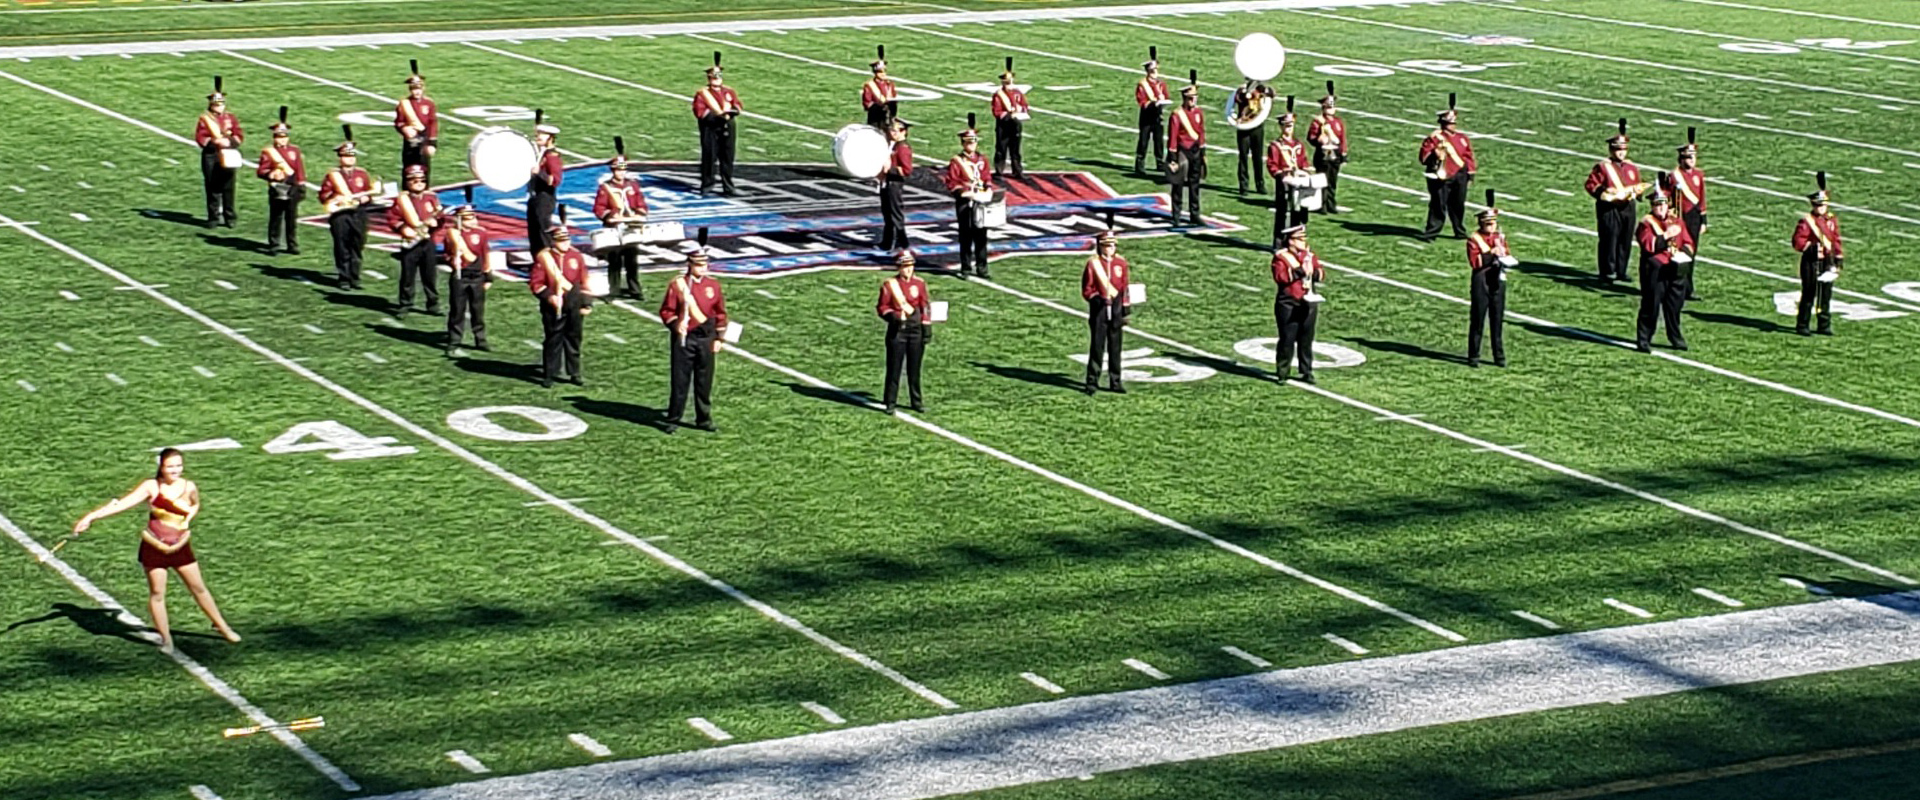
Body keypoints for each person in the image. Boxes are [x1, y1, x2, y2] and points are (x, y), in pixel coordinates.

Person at [70, 448, 240, 653]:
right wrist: (91, 517)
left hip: (180, 545)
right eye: (170, 466)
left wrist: (187, 520)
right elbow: (123, 504)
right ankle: (166, 639)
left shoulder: (189, 486)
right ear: (161, 466)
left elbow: (195, 504)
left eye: (179, 465)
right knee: (158, 592)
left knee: (198, 587)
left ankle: (222, 626)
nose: (175, 470)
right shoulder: (151, 486)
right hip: (154, 546)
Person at [659, 248, 728, 432]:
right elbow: (667, 311)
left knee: (704, 381)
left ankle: (703, 419)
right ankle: (674, 418)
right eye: (698, 264)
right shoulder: (678, 285)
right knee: (680, 380)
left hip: (706, 338)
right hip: (685, 338)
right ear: (689, 264)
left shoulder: (714, 285)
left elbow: (720, 313)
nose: (702, 268)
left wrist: (720, 338)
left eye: (704, 264)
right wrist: (676, 325)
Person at [530, 216, 590, 387]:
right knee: (553, 339)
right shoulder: (545, 258)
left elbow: (584, 280)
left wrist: (586, 303)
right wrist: (550, 297)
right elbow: (536, 283)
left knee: (574, 338)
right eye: (561, 240)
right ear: (554, 241)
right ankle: (550, 373)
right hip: (553, 305)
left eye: (567, 239)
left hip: (573, 301)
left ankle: (575, 372)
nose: (565, 243)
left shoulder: (576, 256)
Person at [1634, 188, 1694, 352]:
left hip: (1675, 268)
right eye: (1657, 205)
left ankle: (1675, 337)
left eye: (1663, 205)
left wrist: (1685, 254)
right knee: (1651, 306)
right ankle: (1644, 339)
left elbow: (1688, 242)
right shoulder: (1646, 223)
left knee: (1675, 305)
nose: (1660, 208)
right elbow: (1648, 245)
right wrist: (1666, 235)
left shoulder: (1677, 221)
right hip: (1655, 270)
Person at [1585, 132, 1647, 284]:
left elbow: (1637, 183)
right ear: (1611, 150)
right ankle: (1607, 271)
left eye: (1624, 149)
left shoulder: (1631, 167)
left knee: (1625, 239)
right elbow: (1591, 184)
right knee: (1610, 238)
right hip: (1610, 207)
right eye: (1618, 149)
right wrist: (1604, 192)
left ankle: (1621, 270)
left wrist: (1639, 193)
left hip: (1628, 206)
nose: (1621, 152)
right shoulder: (1603, 167)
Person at [877, 249, 932, 413]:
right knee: (894, 368)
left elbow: (924, 306)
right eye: (905, 266)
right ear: (899, 268)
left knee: (914, 369)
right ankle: (890, 402)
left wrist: (926, 327)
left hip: (915, 330)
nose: (908, 269)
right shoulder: (890, 285)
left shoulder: (920, 284)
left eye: (910, 266)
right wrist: (893, 317)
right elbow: (882, 307)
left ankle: (916, 401)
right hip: (898, 331)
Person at [386, 164, 443, 315]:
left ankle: (433, 303)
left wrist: (436, 223)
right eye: (415, 180)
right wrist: (403, 228)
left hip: (428, 242)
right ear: (408, 182)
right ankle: (405, 303)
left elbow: (440, 217)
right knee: (408, 276)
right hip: (410, 243)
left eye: (422, 180)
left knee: (430, 275)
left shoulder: (431, 197)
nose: (419, 183)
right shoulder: (402, 200)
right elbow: (392, 218)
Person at [318, 139, 375, 290]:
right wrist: (335, 198)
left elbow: (369, 192)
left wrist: (366, 198)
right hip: (340, 215)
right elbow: (323, 195)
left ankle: (355, 277)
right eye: (346, 156)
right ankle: (344, 277)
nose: (350, 158)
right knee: (342, 246)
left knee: (357, 245)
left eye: (352, 156)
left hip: (358, 214)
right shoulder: (333, 175)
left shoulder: (362, 174)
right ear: (340, 158)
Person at [1272, 224, 1324, 384]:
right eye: (1300, 238)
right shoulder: (1281, 258)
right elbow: (1281, 277)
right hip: (1288, 303)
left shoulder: (1309, 255)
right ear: (1291, 241)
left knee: (1306, 339)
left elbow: (1321, 274)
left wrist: (1313, 272)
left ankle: (1306, 370)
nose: (1304, 241)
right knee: (1287, 339)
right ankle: (1283, 371)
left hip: (1308, 303)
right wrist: (1301, 270)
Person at [1081, 229, 1132, 394]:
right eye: (1107, 246)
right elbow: (1087, 289)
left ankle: (1115, 381)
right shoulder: (1093, 264)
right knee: (1097, 347)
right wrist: (1097, 299)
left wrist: (1125, 309)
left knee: (1115, 348)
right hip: (1099, 311)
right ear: (1101, 247)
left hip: (1116, 310)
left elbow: (1124, 287)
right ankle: (1092, 382)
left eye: (1113, 245)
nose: (1111, 249)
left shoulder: (1121, 263)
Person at [942, 120, 994, 278]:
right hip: (965, 201)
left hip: (980, 200)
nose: (972, 145)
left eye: (974, 142)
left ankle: (982, 267)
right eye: (968, 142)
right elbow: (952, 181)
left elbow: (986, 177)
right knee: (966, 235)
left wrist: (989, 189)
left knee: (981, 235)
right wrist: (962, 193)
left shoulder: (982, 159)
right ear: (963, 144)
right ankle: (965, 267)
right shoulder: (957, 161)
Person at [593, 153, 649, 300]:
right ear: (613, 171)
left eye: (623, 169)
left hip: (630, 227)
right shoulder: (606, 187)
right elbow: (599, 208)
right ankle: (614, 290)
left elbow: (641, 204)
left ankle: (635, 289)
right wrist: (610, 216)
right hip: (614, 228)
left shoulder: (633, 185)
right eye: (618, 170)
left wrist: (639, 214)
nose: (621, 172)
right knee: (614, 261)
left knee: (632, 261)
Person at [1418, 103, 1474, 241]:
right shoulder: (1434, 138)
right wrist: (1434, 154)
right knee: (1438, 205)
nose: (1453, 125)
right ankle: (1431, 232)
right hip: (1441, 175)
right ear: (1443, 123)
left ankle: (1459, 230)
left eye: (1454, 123)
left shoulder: (1462, 138)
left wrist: (1470, 174)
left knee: (1458, 204)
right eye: (1450, 123)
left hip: (1460, 174)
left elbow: (1468, 156)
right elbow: (1423, 157)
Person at [1792, 188, 1844, 337]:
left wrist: (1838, 255)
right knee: (1809, 293)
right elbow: (1798, 242)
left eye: (1823, 205)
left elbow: (1835, 238)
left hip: (1827, 262)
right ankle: (1803, 324)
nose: (1820, 208)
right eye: (1817, 205)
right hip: (1811, 261)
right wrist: (1811, 248)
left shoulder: (1831, 220)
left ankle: (1824, 324)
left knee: (1825, 294)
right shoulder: (1807, 222)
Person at [1465, 207, 1511, 368]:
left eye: (1494, 224)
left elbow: (1507, 254)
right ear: (1482, 224)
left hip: (1498, 280)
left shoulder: (1499, 237)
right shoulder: (1474, 239)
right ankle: (1473, 355)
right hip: (1481, 281)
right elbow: (1475, 262)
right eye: (1489, 224)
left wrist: (1504, 254)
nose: (1492, 227)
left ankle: (1499, 356)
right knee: (1478, 320)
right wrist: (1492, 253)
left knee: (1497, 320)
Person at [193, 85, 244, 229]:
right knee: (213, 186)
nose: (219, 107)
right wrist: (214, 141)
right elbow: (201, 137)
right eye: (216, 104)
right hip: (212, 155)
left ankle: (230, 216)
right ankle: (213, 216)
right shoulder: (205, 119)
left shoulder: (230, 118)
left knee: (229, 186)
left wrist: (230, 141)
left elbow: (239, 134)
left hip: (228, 153)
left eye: (221, 104)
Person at [1664, 135, 1708, 300]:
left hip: (1694, 218)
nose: (1692, 160)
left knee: (1691, 253)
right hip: (1679, 218)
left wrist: (1703, 219)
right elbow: (1666, 197)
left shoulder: (1698, 175)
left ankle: (1688, 288)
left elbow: (1702, 197)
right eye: (1688, 157)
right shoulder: (1674, 176)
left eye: (1694, 157)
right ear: (1681, 159)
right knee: (1678, 252)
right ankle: (1676, 286)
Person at [443, 203, 492, 353]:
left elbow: (486, 254)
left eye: (472, 217)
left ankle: (480, 339)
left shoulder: (481, 233)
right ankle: (454, 339)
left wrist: (488, 276)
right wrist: (452, 259)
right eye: (467, 218)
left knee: (478, 310)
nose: (472, 220)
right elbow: (446, 254)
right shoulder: (453, 234)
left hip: (476, 276)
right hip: (460, 276)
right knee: (457, 309)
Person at [255, 112, 305, 256]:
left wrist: (301, 185)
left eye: (284, 137)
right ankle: (274, 244)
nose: (281, 140)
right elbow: (261, 170)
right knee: (276, 217)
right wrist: (271, 174)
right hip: (277, 188)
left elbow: (299, 169)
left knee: (291, 218)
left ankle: (292, 244)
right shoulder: (269, 152)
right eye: (278, 137)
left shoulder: (294, 150)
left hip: (292, 187)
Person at [693, 58, 742, 195]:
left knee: (727, 157)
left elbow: (737, 105)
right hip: (711, 127)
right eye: (714, 77)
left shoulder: (728, 91)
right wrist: (717, 116)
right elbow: (701, 112)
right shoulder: (703, 94)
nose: (717, 79)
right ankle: (707, 185)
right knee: (710, 157)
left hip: (727, 126)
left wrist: (732, 111)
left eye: (718, 76)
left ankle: (728, 186)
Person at [1266, 102, 1312, 239]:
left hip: (1297, 181)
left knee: (1297, 212)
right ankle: (1278, 241)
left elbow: (1303, 161)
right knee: (1281, 212)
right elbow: (1272, 164)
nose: (1289, 129)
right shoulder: (1276, 145)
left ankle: (1293, 239)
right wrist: (1281, 174)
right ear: (1281, 126)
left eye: (1291, 126)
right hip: (1284, 182)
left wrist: (1305, 171)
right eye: (1286, 126)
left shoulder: (1299, 145)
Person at [1167, 83, 1206, 227]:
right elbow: (1173, 136)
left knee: (1195, 185)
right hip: (1182, 150)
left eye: (1194, 98)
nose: (1193, 101)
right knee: (1178, 184)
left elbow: (1201, 133)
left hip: (1195, 150)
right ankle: (1176, 215)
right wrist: (1173, 158)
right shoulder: (1177, 115)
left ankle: (1194, 214)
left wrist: (1203, 152)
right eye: (1190, 98)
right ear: (1184, 98)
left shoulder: (1198, 113)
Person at [1307, 83, 1348, 213]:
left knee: (1332, 180)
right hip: (1323, 153)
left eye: (1333, 106)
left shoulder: (1338, 122)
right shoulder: (1318, 122)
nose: (1331, 108)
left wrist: (1343, 153)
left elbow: (1342, 139)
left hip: (1335, 154)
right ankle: (1322, 205)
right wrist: (1318, 140)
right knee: (1322, 179)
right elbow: (1311, 137)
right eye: (1329, 106)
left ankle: (1331, 203)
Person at [877, 119, 913, 255]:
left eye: (894, 130)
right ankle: (887, 242)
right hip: (888, 182)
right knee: (887, 213)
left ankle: (902, 244)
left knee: (895, 214)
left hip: (894, 184)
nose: (891, 133)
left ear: (903, 132)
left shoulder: (902, 148)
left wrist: (890, 169)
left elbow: (907, 170)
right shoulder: (895, 145)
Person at [526, 121, 563, 253]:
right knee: (534, 231)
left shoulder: (552, 156)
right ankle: (537, 260)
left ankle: (548, 258)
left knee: (543, 230)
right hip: (536, 196)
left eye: (542, 135)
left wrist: (539, 173)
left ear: (550, 138)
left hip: (545, 198)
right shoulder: (543, 153)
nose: (538, 137)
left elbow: (555, 180)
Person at [395, 69, 438, 179]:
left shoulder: (429, 103)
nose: (417, 92)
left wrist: (432, 143)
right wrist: (405, 129)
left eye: (419, 88)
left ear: (423, 88)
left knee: (425, 168)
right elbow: (399, 122)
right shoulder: (405, 104)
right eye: (414, 89)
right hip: (411, 141)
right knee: (409, 168)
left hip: (424, 139)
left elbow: (432, 123)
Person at [1133, 55, 1170, 175]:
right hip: (1147, 116)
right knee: (1144, 141)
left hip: (1158, 115)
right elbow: (1142, 102)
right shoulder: (1143, 85)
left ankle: (1160, 163)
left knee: (1158, 141)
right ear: (1148, 71)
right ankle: (1139, 164)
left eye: (1156, 70)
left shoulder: (1161, 84)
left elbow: (1166, 96)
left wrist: (1163, 101)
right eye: (1153, 70)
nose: (1155, 72)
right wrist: (1154, 103)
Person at [990, 68, 1029, 181]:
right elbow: (997, 111)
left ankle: (1017, 170)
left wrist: (1020, 111)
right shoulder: (999, 94)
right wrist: (1008, 115)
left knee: (1015, 149)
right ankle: (999, 171)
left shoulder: (1017, 93)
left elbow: (1024, 105)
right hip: (1004, 125)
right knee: (1001, 148)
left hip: (1016, 123)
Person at [1231, 81, 1269, 196]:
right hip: (1244, 127)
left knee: (1258, 157)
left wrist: (1262, 94)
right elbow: (1237, 98)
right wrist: (1246, 94)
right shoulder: (1241, 91)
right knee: (1243, 157)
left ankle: (1260, 184)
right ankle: (1244, 186)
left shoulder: (1261, 89)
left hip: (1257, 126)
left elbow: (1272, 93)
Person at [863, 57, 899, 130]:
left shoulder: (890, 84)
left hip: (889, 117)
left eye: (884, 71)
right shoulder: (870, 85)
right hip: (876, 118)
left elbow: (894, 98)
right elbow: (867, 104)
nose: (883, 74)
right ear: (875, 73)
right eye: (880, 72)